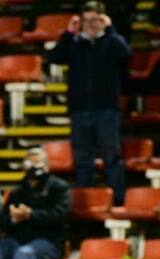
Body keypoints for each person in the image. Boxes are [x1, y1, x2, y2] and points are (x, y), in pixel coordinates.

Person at [48, 0, 131, 205]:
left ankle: (117, 201)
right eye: (86, 20)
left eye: (95, 20)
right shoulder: (75, 44)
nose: (90, 25)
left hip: (107, 109)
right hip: (79, 110)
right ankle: (85, 202)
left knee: (112, 159)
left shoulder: (111, 42)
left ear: (103, 20)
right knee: (82, 161)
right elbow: (55, 57)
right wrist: (69, 33)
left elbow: (125, 54)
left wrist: (110, 30)